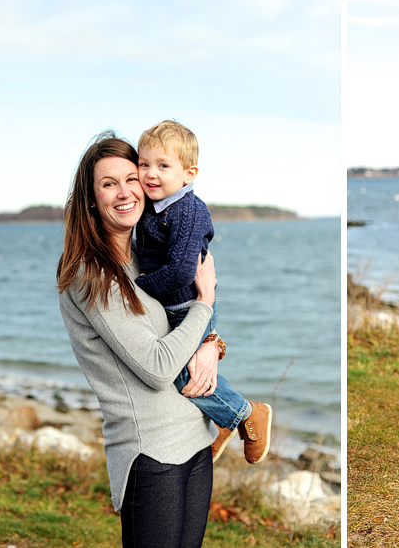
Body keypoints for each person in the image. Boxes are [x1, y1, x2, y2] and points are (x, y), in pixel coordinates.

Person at [57, 131, 220, 547]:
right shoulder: (90, 272)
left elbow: (177, 329)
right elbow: (158, 367)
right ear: (92, 198)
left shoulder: (148, 257)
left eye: (133, 178)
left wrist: (212, 345)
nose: (126, 191)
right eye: (109, 183)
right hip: (151, 453)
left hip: (197, 437)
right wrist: (205, 302)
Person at [133, 119, 272, 465]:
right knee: (186, 373)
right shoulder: (152, 207)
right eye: (144, 163)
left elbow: (181, 270)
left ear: (189, 173)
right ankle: (224, 424)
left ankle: (245, 413)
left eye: (163, 165)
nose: (151, 173)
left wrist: (140, 288)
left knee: (185, 375)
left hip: (186, 306)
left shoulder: (188, 210)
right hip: (175, 306)